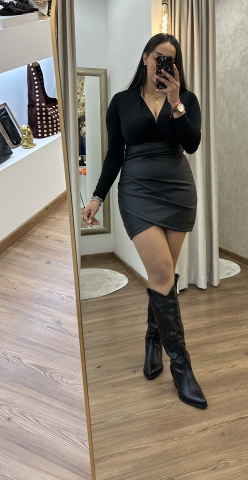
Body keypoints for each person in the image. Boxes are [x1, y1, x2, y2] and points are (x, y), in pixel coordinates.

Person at [82, 33, 207, 409]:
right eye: (159, 57)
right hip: (137, 192)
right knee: (163, 273)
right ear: (145, 58)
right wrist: (97, 196)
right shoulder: (121, 102)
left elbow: (192, 144)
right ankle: (182, 369)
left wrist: (176, 103)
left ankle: (154, 339)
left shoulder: (186, 99)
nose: (164, 65)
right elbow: (114, 155)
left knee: (161, 276)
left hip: (177, 192)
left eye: (172, 61)